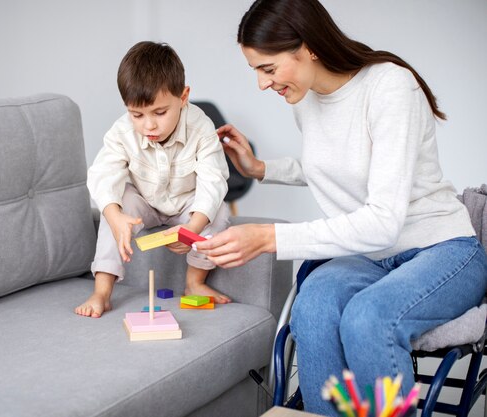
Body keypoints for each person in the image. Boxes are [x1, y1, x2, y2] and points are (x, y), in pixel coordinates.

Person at [193, 0, 487, 414]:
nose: (261, 84)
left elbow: (384, 221)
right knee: (311, 307)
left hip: (442, 249)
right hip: (372, 257)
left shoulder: (390, 87)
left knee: (368, 318)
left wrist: (269, 237)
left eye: (268, 68)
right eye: (255, 70)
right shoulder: (307, 100)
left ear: (308, 47)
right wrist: (261, 169)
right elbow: (337, 167)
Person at [75, 41, 232, 319]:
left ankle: (195, 281)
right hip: (144, 204)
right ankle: (102, 291)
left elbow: (213, 179)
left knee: (218, 209)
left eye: (160, 113)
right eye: (137, 115)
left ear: (183, 97)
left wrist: (193, 227)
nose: (149, 125)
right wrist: (113, 216)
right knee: (118, 202)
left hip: (186, 204)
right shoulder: (122, 131)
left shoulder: (201, 127)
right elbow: (103, 174)